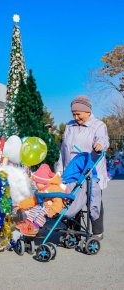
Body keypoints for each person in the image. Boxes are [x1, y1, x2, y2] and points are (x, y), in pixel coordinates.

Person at [55, 95, 110, 240]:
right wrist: (59, 170)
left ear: (87, 112)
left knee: (94, 201)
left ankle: (97, 232)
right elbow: (63, 149)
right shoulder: (69, 126)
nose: (76, 117)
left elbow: (103, 139)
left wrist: (100, 145)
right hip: (72, 171)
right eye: (73, 114)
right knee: (72, 200)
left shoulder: (98, 125)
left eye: (78, 114)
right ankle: (74, 232)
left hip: (90, 171)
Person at [15, 164, 68, 236]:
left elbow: (58, 202)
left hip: (51, 208)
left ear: (44, 182)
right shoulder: (42, 190)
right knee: (33, 209)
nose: (36, 184)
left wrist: (52, 211)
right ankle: (27, 223)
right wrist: (21, 205)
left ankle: (35, 228)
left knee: (42, 214)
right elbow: (33, 200)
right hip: (43, 205)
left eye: (37, 182)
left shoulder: (54, 189)